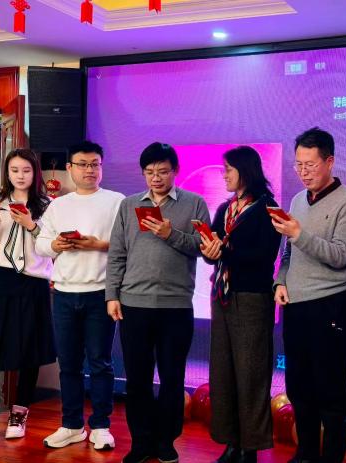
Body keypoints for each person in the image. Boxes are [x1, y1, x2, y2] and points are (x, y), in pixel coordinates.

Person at [106, 142, 210, 463]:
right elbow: (117, 253)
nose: (156, 177)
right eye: (150, 172)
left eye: (163, 171)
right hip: (133, 304)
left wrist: (170, 233)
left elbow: (204, 247)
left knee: (172, 378)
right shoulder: (129, 205)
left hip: (175, 306)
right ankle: (141, 442)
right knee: (137, 379)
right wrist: (112, 295)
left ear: (175, 171)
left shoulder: (195, 203)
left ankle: (166, 441)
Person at [272, 127, 346, 463]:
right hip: (296, 305)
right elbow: (288, 251)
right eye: (298, 165)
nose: (303, 172)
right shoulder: (298, 200)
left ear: (330, 161)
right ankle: (306, 453)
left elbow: (340, 255)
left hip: (331, 305)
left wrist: (299, 234)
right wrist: (280, 281)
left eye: (310, 164)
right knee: (299, 386)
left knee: (331, 389)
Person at [36, 141, 125, 451]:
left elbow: (128, 243)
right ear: (69, 168)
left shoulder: (116, 201)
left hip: (100, 293)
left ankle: (101, 425)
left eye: (95, 164)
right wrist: (56, 246)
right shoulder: (58, 205)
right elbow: (41, 244)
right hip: (63, 293)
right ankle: (72, 425)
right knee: (69, 364)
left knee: (100, 363)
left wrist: (97, 244)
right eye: (83, 164)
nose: (90, 170)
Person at [0, 148, 55, 450]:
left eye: (26, 170)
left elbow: (51, 248)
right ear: (7, 173)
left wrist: (31, 225)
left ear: (35, 172)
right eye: (15, 170)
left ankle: (19, 415)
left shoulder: (48, 207)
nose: (20, 176)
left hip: (32, 283)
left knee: (28, 351)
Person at [198, 146, 283, 463]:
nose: (224, 175)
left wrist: (225, 251)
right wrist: (209, 250)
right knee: (223, 372)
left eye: (228, 169)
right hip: (222, 295)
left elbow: (264, 257)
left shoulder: (268, 208)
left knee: (251, 373)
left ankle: (250, 447)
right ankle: (230, 441)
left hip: (252, 298)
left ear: (245, 171)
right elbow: (214, 252)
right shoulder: (225, 208)